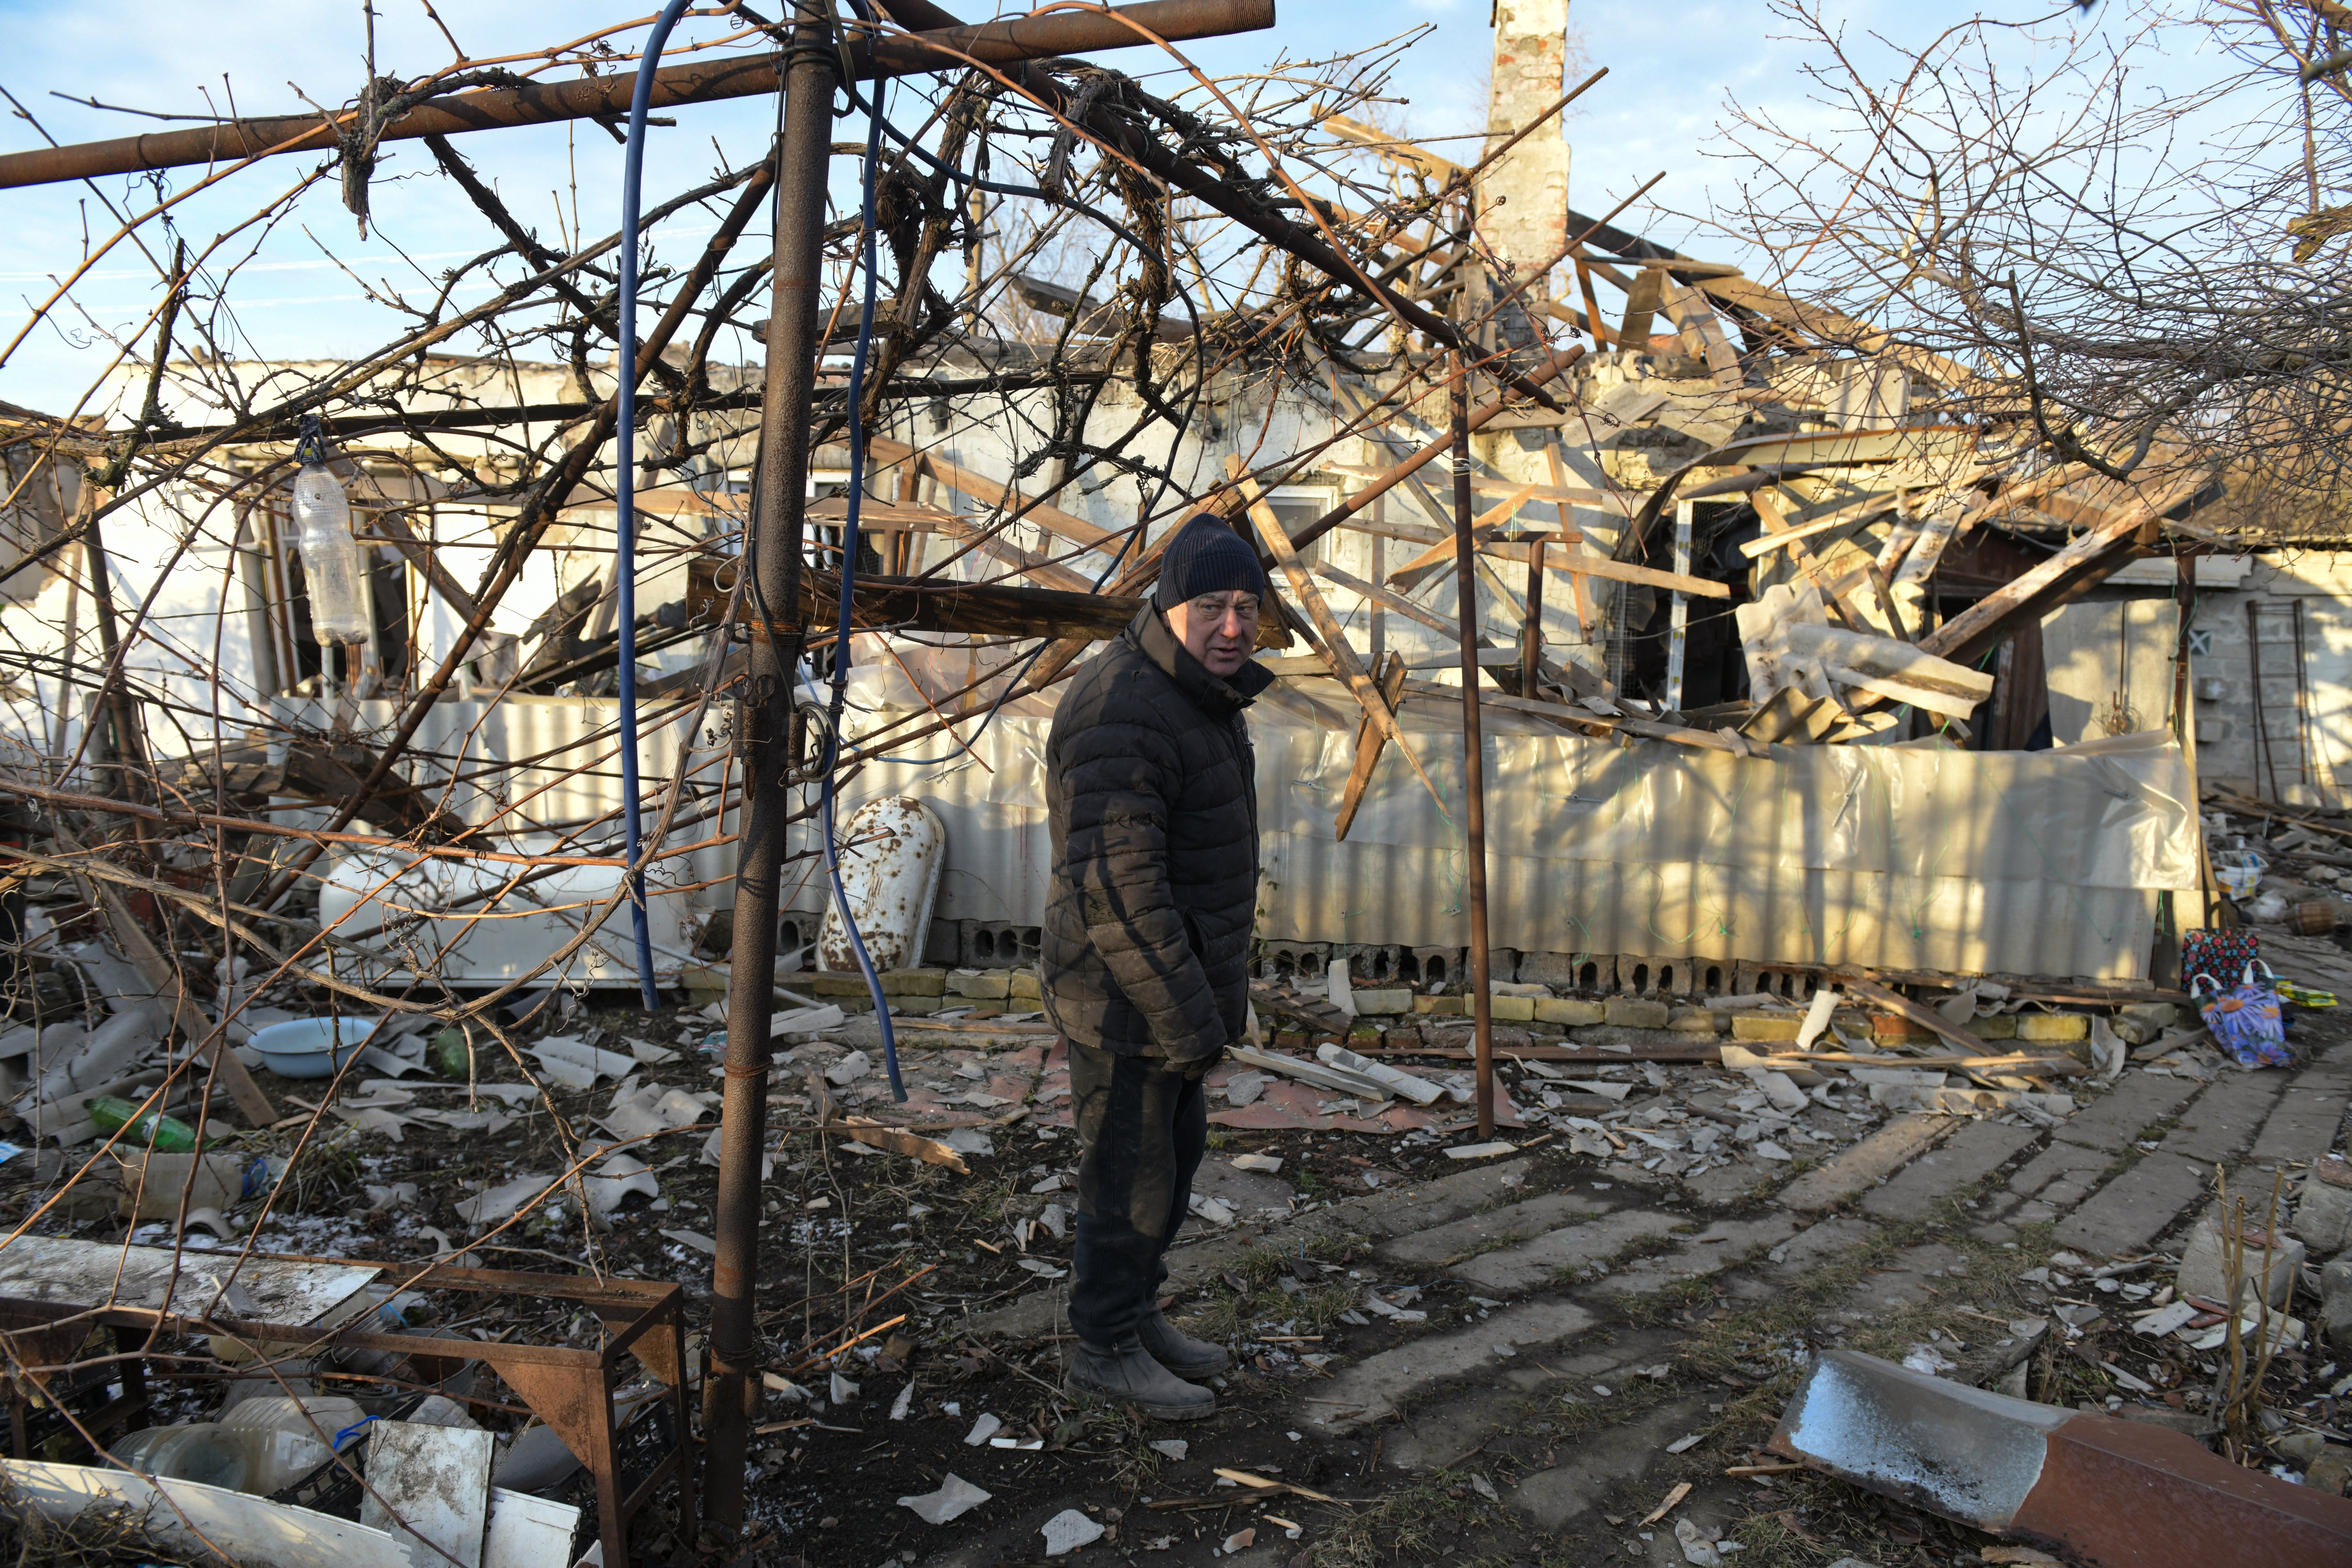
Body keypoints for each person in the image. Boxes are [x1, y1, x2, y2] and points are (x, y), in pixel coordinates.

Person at [1040, 512, 1272, 1421]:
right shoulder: (1125, 708)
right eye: (1210, 604)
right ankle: (1102, 1348)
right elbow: (1122, 893)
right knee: (1129, 1181)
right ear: (1169, 604)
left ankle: (1134, 1317)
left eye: (1247, 607)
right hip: (1125, 999)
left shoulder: (1193, 697)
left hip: (1167, 996)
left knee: (1171, 1163)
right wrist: (1184, 1022)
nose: (1231, 626)